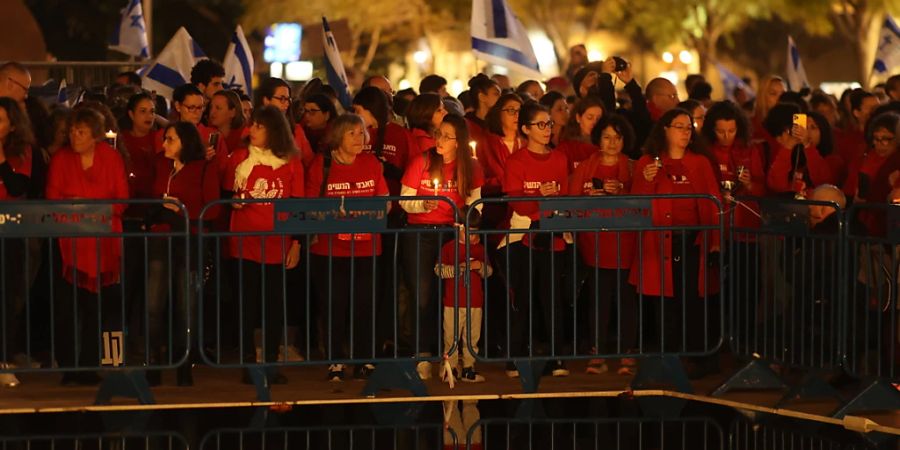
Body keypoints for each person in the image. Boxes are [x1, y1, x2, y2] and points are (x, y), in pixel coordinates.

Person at [629, 108, 722, 369]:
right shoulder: (648, 162)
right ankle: (666, 359)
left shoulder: (700, 163)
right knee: (664, 302)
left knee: (693, 301)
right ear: (665, 130)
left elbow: (713, 203)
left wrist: (715, 240)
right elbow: (636, 205)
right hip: (660, 244)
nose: (685, 131)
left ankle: (695, 358)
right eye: (679, 126)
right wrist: (646, 181)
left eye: (689, 127)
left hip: (693, 242)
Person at [46, 107, 130, 386]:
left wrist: (82, 207)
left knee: (95, 308)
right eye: (71, 131)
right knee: (66, 308)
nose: (74, 136)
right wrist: (86, 210)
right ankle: (69, 367)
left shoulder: (111, 158)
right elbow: (54, 199)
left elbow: (121, 200)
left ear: (94, 135)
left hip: (101, 245)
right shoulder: (61, 159)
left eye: (80, 131)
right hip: (68, 245)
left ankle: (90, 365)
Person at [305, 114, 389, 382]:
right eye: (352, 133)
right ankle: (336, 361)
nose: (359, 138)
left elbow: (384, 200)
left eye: (361, 132)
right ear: (338, 136)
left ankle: (365, 360)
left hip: (367, 246)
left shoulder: (371, 162)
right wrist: (337, 215)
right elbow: (310, 206)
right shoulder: (322, 164)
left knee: (364, 305)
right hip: (330, 249)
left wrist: (366, 212)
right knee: (334, 305)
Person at [224, 105, 304, 384]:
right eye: (252, 125)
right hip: (244, 241)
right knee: (247, 305)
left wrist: (297, 242)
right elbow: (225, 193)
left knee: (273, 305)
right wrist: (230, 201)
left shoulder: (291, 161)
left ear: (274, 130)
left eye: (259, 126)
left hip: (277, 242)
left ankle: (270, 363)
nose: (252, 130)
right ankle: (249, 364)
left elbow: (297, 204)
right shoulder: (239, 157)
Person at [399, 114, 483, 380]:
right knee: (422, 296)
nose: (440, 140)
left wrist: (467, 225)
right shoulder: (421, 161)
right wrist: (422, 205)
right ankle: (422, 355)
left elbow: (476, 206)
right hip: (420, 233)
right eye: (439, 133)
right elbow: (404, 199)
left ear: (459, 141)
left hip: (451, 235)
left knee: (450, 298)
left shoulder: (469, 167)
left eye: (447, 136)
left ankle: (451, 355)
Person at [145, 122, 220, 386]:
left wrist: (180, 211)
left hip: (190, 242)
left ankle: (183, 363)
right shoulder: (160, 164)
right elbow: (150, 197)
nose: (164, 144)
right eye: (165, 139)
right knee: (154, 303)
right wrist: (162, 208)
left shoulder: (202, 168)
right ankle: (152, 362)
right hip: (160, 240)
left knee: (186, 305)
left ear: (186, 143)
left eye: (171, 139)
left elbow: (212, 208)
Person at [500, 102, 571, 378]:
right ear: (526, 129)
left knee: (552, 298)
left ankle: (556, 358)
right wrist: (541, 198)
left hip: (553, 236)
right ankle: (514, 357)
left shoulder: (560, 159)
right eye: (540, 124)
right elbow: (517, 202)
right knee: (523, 298)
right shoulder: (516, 161)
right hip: (524, 237)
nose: (546, 130)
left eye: (549, 124)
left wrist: (546, 202)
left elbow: (563, 197)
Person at [568, 113, 638, 375]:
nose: (612, 143)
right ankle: (597, 352)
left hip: (625, 243)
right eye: (607, 137)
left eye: (617, 138)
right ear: (598, 138)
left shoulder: (632, 167)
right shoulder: (586, 166)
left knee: (626, 299)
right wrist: (591, 198)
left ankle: (626, 351)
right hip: (594, 244)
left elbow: (643, 202)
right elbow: (571, 200)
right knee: (598, 300)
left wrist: (622, 192)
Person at [0, 97, 35, 388]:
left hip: (9, 234)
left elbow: (17, 187)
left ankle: (4, 360)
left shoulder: (22, 152)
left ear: (12, 125)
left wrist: (1, 160)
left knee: (7, 299)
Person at [435, 207, 492, 383]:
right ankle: (449, 367)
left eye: (476, 233)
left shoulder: (480, 249)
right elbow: (438, 270)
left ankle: (468, 367)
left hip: (475, 302)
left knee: (472, 337)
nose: (473, 237)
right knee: (450, 337)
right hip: (452, 302)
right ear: (458, 228)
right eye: (469, 233)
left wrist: (479, 267)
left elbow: (489, 271)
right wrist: (456, 269)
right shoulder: (449, 248)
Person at [353, 87, 415, 198]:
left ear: (371, 109)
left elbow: (415, 172)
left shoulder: (401, 135)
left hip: (395, 203)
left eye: (358, 111)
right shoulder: (354, 135)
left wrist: (389, 169)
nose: (355, 115)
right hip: (361, 204)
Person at [765, 103, 836, 198]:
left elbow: (822, 183)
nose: (806, 132)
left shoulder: (833, 160)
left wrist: (807, 145)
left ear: (823, 132)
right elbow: (776, 185)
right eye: (804, 127)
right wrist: (789, 145)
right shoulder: (793, 158)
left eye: (813, 128)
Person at [254, 77, 315, 167]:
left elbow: (310, 162)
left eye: (288, 99)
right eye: (282, 99)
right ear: (266, 100)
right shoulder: (253, 129)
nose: (286, 104)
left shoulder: (296, 130)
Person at [482, 93, 525, 198]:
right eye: (511, 110)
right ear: (498, 113)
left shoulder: (527, 142)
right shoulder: (487, 143)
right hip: (495, 201)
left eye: (520, 111)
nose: (517, 115)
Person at [556, 96, 604, 171]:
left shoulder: (606, 147)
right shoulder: (566, 148)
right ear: (578, 118)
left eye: (598, 119)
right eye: (589, 117)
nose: (594, 123)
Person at [835, 89, 880, 167]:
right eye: (870, 108)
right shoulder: (848, 141)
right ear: (857, 113)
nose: (875, 111)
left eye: (877, 107)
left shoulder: (886, 137)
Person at [464, 74, 501, 164]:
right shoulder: (465, 124)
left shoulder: (500, 123)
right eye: (496, 94)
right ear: (482, 97)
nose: (500, 98)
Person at [208, 90, 247, 154]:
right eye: (211, 107)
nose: (212, 112)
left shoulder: (245, 138)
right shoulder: (206, 134)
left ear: (232, 112)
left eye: (218, 108)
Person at [751, 75, 787, 143]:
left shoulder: (791, 125)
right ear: (763, 96)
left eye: (783, 94)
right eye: (773, 93)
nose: (779, 99)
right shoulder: (751, 126)